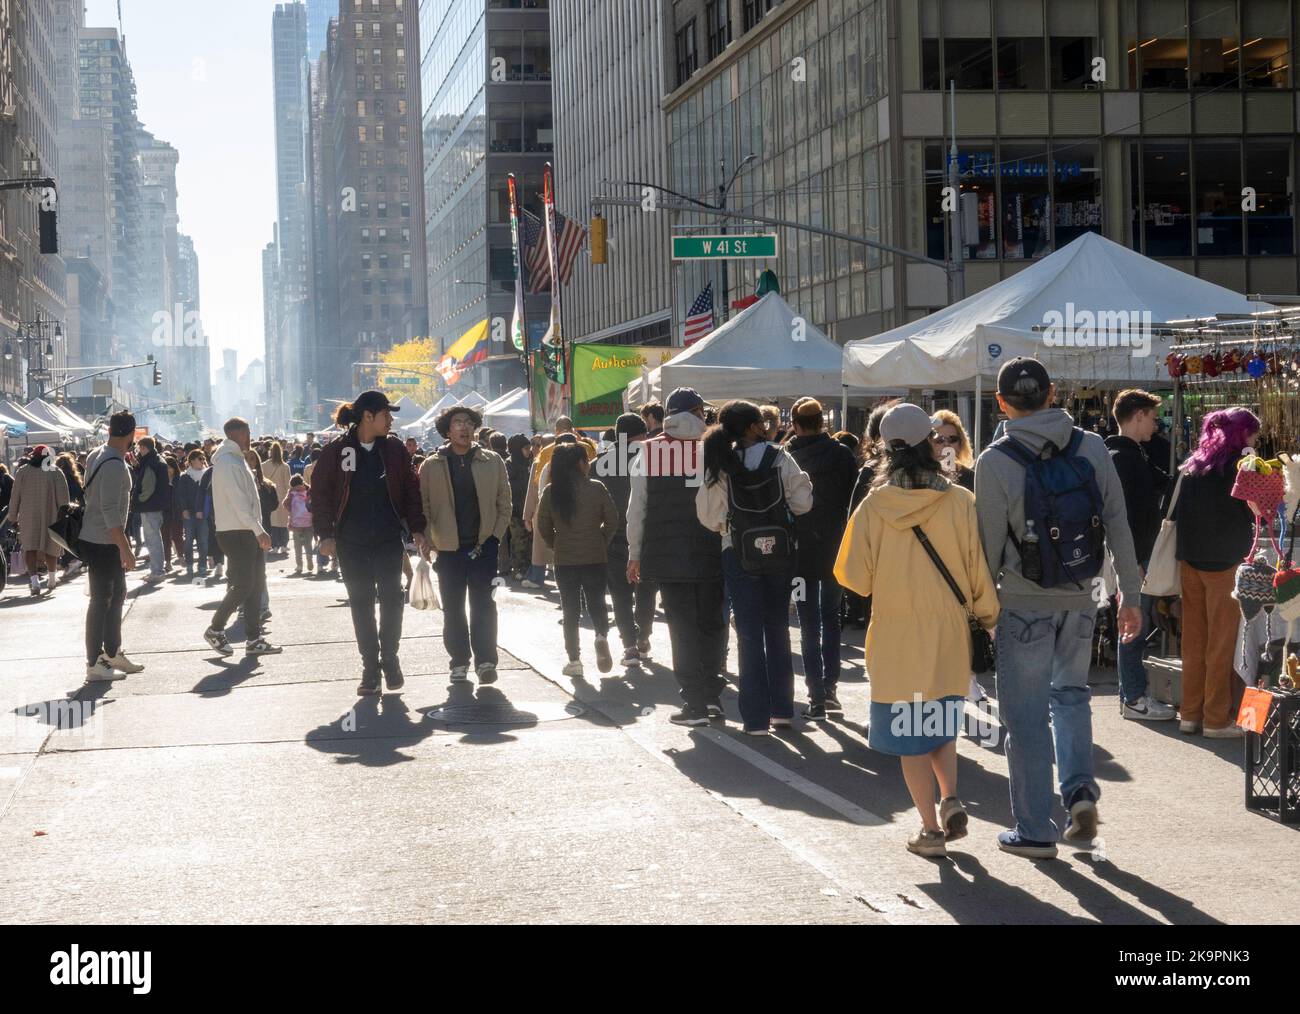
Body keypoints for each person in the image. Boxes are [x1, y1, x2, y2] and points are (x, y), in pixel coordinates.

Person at [975, 357, 1142, 860]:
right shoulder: (1090, 446)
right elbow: (1118, 525)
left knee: (1024, 717)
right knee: (1070, 695)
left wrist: (983, 612)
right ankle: (1080, 796)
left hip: (1023, 601)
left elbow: (985, 546)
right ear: (1052, 395)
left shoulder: (996, 460)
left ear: (1002, 402)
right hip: (1085, 594)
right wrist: (1130, 596)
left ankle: (1034, 830)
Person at [835, 404, 999, 857]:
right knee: (942, 725)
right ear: (931, 443)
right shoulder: (960, 501)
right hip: (948, 633)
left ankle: (930, 831)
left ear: (887, 448)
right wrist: (989, 619)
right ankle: (950, 797)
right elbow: (977, 574)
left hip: (895, 635)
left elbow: (854, 576)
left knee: (910, 736)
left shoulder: (874, 505)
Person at [698, 400, 813, 735]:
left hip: (738, 551)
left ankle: (755, 719)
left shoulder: (720, 462)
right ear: (751, 426)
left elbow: (708, 517)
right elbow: (804, 504)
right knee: (777, 628)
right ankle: (782, 710)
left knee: (748, 634)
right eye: (760, 421)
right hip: (780, 552)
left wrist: (727, 526)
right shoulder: (780, 456)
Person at [311, 391, 428, 693]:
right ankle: (370, 668)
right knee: (361, 603)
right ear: (367, 416)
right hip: (351, 541)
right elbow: (321, 493)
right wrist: (324, 534)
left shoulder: (395, 450)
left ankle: (390, 657)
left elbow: (412, 491)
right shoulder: (338, 451)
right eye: (386, 415)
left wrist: (418, 529)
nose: (391, 420)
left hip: (388, 538)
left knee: (392, 597)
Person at [627, 388, 726, 726]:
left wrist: (634, 553)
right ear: (697, 412)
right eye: (703, 412)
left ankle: (694, 703)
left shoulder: (648, 452)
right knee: (713, 624)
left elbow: (636, 510)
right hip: (712, 550)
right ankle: (712, 695)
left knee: (682, 628)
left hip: (666, 555)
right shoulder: (713, 448)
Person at [1173, 408, 1258, 738]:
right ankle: (1216, 719)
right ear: (1242, 434)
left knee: (1193, 643)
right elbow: (1259, 509)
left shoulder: (1194, 463)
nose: (1254, 439)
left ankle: (1190, 714)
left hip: (1190, 559)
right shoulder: (1243, 464)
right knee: (1222, 644)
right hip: (1227, 562)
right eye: (1252, 433)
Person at [419, 404, 510, 684]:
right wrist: (425, 538)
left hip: (484, 547)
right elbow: (423, 506)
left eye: (469, 422)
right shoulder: (431, 466)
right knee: (454, 608)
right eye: (458, 422)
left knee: (484, 605)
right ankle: (459, 660)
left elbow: (504, 503)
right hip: (447, 551)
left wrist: (494, 536)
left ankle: (485, 661)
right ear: (447, 430)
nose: (464, 427)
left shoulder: (492, 461)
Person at [1105, 390, 1177, 722]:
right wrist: (1130, 562)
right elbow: (1123, 517)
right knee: (1134, 625)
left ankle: (1132, 695)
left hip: (1137, 555)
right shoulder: (1124, 458)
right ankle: (1133, 697)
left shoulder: (1129, 454)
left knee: (1135, 624)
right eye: (1151, 417)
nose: (1156, 424)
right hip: (1134, 557)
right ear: (1137, 416)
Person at [786, 397, 858, 719]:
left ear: (795, 424)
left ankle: (815, 695)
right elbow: (853, 503)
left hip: (799, 553)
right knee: (832, 618)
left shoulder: (787, 457)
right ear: (823, 423)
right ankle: (830, 689)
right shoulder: (842, 455)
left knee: (808, 622)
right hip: (835, 549)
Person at [537, 442, 619, 676]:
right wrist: (600, 540)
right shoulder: (596, 487)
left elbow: (543, 526)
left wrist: (556, 543)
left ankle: (574, 661)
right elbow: (612, 520)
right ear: (582, 463)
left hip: (565, 558)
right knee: (597, 603)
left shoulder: (551, 492)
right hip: (595, 555)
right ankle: (601, 636)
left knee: (570, 610)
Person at [203, 418, 282, 659]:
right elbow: (239, 501)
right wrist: (258, 528)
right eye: (248, 432)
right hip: (237, 532)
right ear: (239, 433)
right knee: (245, 585)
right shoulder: (228, 462)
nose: (250, 437)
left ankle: (254, 638)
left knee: (256, 585)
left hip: (243, 530)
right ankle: (215, 628)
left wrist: (255, 528)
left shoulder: (235, 459)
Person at [80, 412, 146, 682]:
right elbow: (109, 510)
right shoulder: (114, 464)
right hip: (102, 540)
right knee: (101, 599)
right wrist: (125, 547)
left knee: (117, 594)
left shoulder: (98, 454)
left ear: (109, 430)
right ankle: (95, 662)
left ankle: (112, 651)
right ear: (131, 435)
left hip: (99, 537)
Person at [597, 413, 657, 664]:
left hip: (612, 537)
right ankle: (643, 635)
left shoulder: (598, 463)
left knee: (620, 592)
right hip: (648, 536)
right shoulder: (653, 459)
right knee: (646, 588)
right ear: (642, 434)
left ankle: (630, 646)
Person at [9, 445, 69, 596]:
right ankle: (52, 578)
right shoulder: (56, 472)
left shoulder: (23, 472)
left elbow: (15, 496)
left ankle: (35, 581)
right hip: (51, 515)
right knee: (51, 546)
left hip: (28, 516)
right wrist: (65, 516)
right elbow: (64, 499)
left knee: (30, 547)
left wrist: (13, 516)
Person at [132, 436, 170, 584]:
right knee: (155, 539)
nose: (138, 450)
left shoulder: (151, 462)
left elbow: (147, 487)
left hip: (150, 506)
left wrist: (138, 500)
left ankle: (157, 572)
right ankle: (157, 570)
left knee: (152, 540)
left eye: (139, 447)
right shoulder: (157, 460)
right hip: (156, 505)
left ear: (144, 447)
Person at [173, 450, 210, 579]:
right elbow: (181, 495)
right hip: (189, 514)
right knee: (188, 541)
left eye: (203, 458)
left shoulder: (207, 475)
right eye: (200, 458)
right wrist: (184, 509)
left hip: (203, 514)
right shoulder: (185, 476)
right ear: (192, 461)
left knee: (203, 541)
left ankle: (202, 565)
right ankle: (189, 564)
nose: (202, 461)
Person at [505, 433, 534, 581]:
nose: (529, 450)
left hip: (527, 509)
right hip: (516, 510)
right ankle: (518, 569)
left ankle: (527, 568)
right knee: (519, 540)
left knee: (528, 540)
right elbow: (508, 488)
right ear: (517, 449)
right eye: (526, 448)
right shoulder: (509, 465)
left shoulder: (528, 463)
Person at [931, 409, 975, 491]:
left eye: (952, 439)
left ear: (961, 443)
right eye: (939, 440)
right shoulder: (923, 477)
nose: (946, 444)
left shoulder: (972, 478)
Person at [264, 441, 292, 556]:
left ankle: (274, 545)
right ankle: (284, 545)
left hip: (269, 498)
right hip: (282, 496)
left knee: (273, 522)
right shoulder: (285, 466)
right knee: (284, 523)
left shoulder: (264, 465)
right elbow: (288, 484)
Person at [283, 474, 314, 575]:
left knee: (298, 547)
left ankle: (299, 566)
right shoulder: (309, 490)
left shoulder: (292, 493)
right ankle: (309, 561)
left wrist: (291, 511)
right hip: (309, 523)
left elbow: (285, 504)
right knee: (308, 545)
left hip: (296, 524)